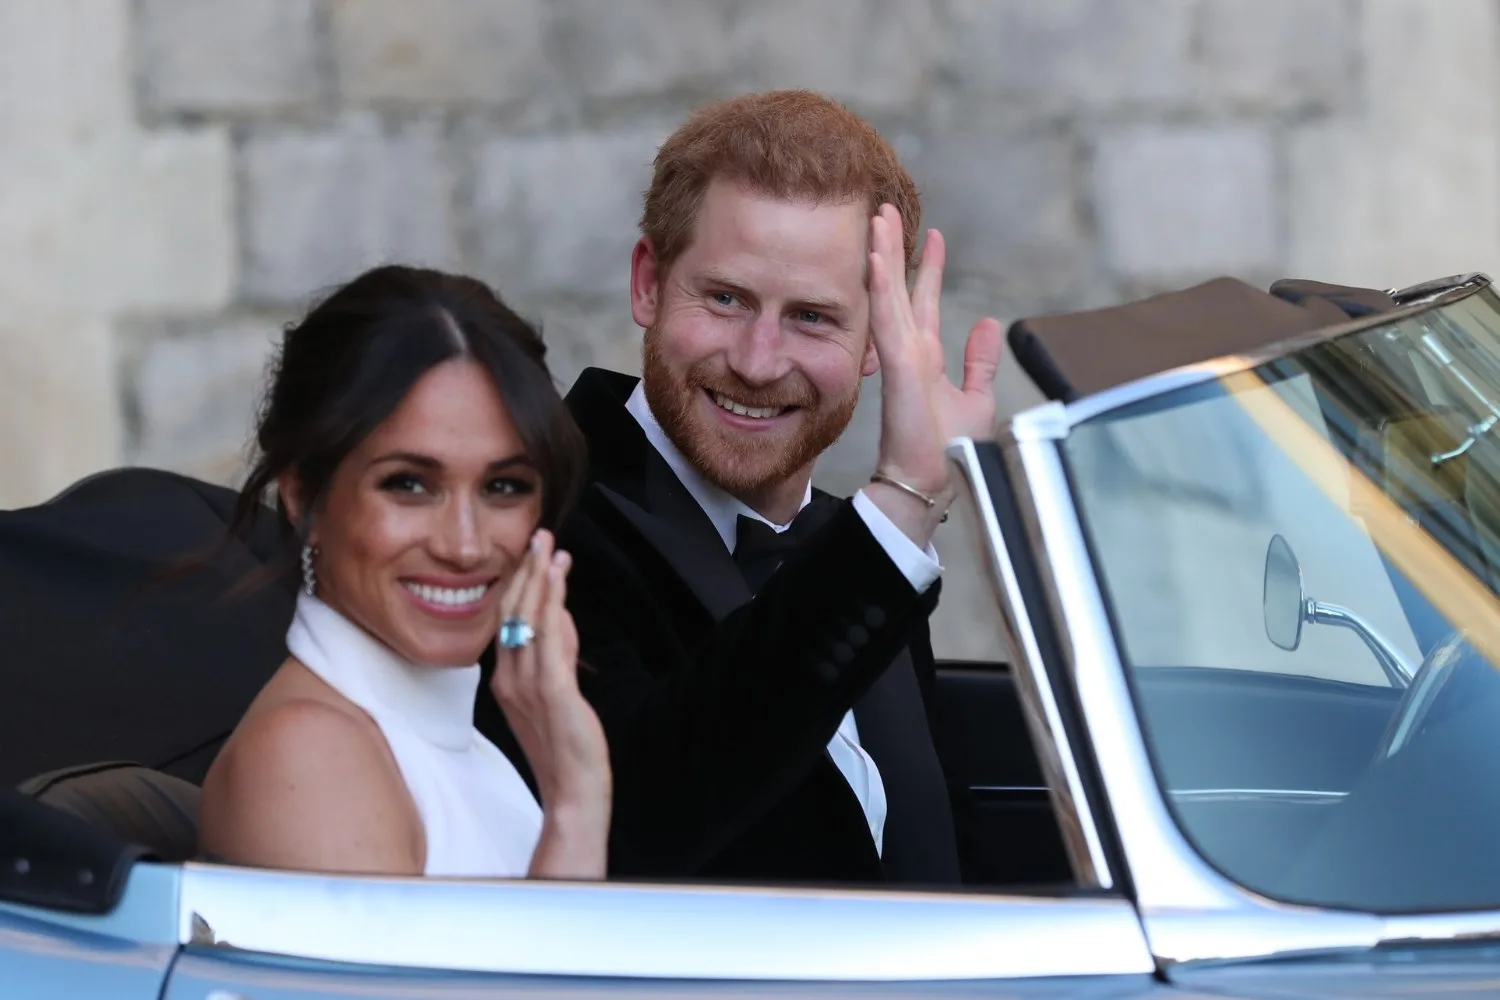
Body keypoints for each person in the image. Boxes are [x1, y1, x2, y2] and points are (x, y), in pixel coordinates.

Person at [475, 90, 1002, 884]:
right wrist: (901, 506)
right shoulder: (533, 514)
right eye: (725, 299)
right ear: (649, 283)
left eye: (813, 318)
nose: (758, 361)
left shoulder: (852, 544)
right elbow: (636, 822)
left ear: (875, 342)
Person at [197, 265, 611, 879]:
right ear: (302, 495)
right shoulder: (309, 756)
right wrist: (576, 808)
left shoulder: (458, 746)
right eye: (410, 485)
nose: (465, 546)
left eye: (503, 486)